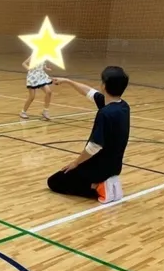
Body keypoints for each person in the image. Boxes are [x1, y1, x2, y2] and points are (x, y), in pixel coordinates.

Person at [47, 66, 130, 203]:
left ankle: (98, 186)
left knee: (55, 182)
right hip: (114, 166)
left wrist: (76, 163)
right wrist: (68, 81)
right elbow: (89, 93)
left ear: (104, 85)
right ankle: (109, 183)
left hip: (98, 168)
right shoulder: (123, 106)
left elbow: (94, 146)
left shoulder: (105, 113)